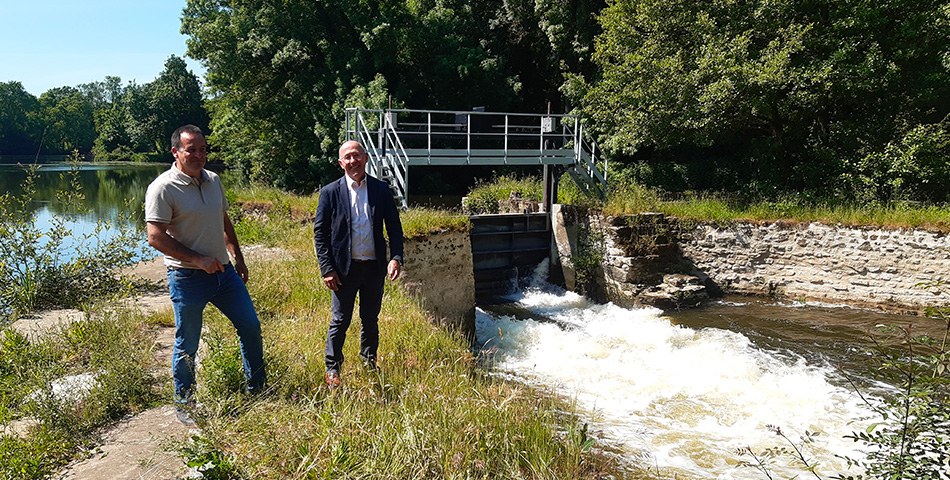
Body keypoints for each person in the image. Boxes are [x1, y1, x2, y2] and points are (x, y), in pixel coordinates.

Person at [144, 124, 266, 425]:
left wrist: (238, 257)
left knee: (250, 326)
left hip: (224, 274)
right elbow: (155, 236)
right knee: (188, 342)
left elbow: (223, 220)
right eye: (191, 149)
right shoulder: (162, 188)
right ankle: (185, 401)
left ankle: (258, 388)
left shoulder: (213, 180)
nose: (199, 155)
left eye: (202, 149)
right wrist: (198, 259)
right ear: (176, 152)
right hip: (187, 278)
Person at [314, 140, 404, 387]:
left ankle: (368, 362)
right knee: (340, 320)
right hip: (344, 269)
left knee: (370, 319)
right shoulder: (330, 192)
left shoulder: (380, 189)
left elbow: (395, 228)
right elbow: (320, 234)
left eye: (357, 155)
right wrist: (327, 268)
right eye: (347, 157)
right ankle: (332, 369)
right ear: (341, 163)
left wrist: (396, 258)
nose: (353, 161)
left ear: (365, 158)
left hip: (374, 268)